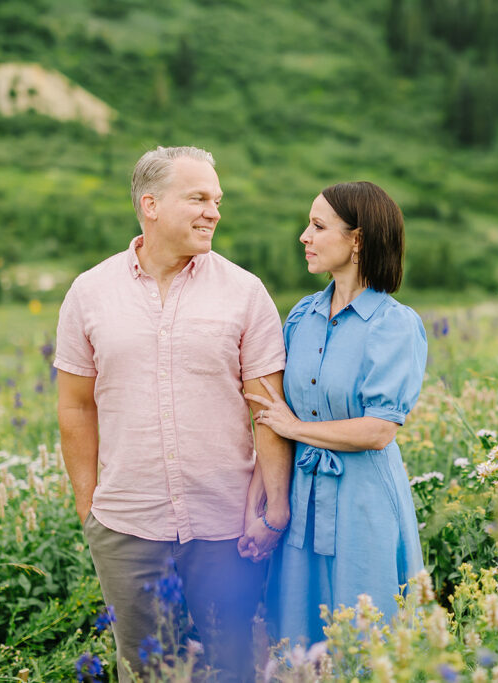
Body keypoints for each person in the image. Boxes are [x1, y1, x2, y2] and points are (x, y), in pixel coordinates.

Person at [54, 146, 292, 682]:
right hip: (126, 523)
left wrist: (272, 507)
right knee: (144, 669)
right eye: (199, 198)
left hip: (226, 525)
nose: (214, 211)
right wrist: (88, 507)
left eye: (218, 199)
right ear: (151, 204)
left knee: (234, 665)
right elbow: (75, 405)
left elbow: (268, 411)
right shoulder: (89, 293)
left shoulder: (245, 292)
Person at [245, 181, 427, 646]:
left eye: (318, 226)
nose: (304, 236)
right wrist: (262, 503)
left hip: (362, 500)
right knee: (299, 640)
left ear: (358, 239)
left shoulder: (394, 324)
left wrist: (296, 427)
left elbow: (380, 429)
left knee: (367, 639)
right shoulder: (300, 317)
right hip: (302, 497)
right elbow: (270, 417)